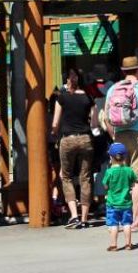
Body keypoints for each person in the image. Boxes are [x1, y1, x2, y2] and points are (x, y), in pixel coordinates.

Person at [105, 56, 138, 229]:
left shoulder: (113, 88)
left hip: (119, 136)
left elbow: (106, 117)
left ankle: (118, 219)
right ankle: (135, 219)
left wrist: (114, 137)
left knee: (120, 178)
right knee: (137, 179)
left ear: (123, 71)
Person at [51, 69, 97, 228]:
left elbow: (55, 123)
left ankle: (74, 215)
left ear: (66, 81)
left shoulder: (61, 98)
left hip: (68, 139)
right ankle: (85, 218)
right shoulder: (89, 98)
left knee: (66, 176)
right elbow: (94, 124)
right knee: (86, 177)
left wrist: (54, 133)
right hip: (85, 138)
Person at [103, 142, 137, 252]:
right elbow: (133, 183)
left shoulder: (109, 172)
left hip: (112, 203)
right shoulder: (129, 170)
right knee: (127, 224)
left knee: (113, 225)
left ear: (111, 157)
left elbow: (105, 185)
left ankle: (113, 245)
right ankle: (128, 244)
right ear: (125, 156)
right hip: (126, 203)